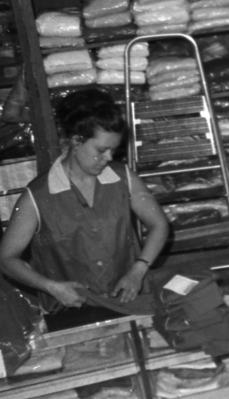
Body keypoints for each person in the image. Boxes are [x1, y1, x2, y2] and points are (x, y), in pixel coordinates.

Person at [1, 87, 170, 322]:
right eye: (101, 150)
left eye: (114, 150)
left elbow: (159, 225)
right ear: (76, 141)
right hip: (70, 311)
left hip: (128, 298)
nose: (109, 158)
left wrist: (138, 270)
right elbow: (6, 258)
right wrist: (51, 287)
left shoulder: (124, 178)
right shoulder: (37, 196)